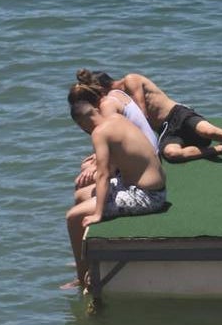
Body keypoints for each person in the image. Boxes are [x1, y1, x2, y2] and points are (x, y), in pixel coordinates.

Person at [63, 92, 167, 290]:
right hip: (151, 188)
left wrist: (98, 214)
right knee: (81, 195)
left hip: (147, 196)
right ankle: (86, 257)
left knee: (73, 217)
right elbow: (113, 166)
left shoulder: (100, 133)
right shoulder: (117, 118)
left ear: (82, 124)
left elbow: (103, 176)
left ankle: (83, 278)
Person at [111, 71, 222, 168]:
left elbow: (142, 113)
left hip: (178, 114)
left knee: (209, 131)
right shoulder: (115, 99)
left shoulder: (130, 80)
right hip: (166, 129)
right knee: (172, 154)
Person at [70, 70, 159, 192]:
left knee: (84, 178)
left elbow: (111, 140)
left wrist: (96, 165)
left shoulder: (107, 107)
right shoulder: (115, 94)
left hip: (143, 157)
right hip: (150, 149)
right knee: (87, 167)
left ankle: (100, 200)